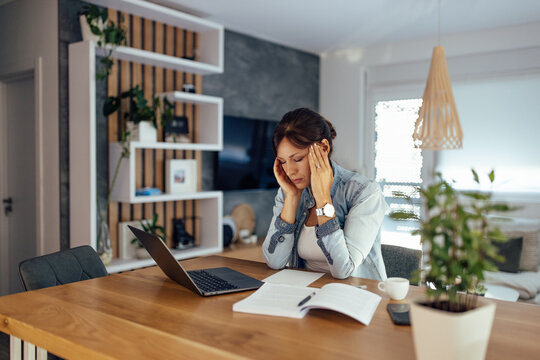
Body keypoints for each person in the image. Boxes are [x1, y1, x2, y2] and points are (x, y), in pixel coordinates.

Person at [262, 108, 388, 280]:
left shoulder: (364, 192)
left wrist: (322, 199)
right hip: (307, 294)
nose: (290, 171)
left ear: (323, 148)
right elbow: (274, 262)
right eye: (283, 162)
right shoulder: (289, 191)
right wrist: (291, 198)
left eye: (297, 159)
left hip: (357, 295)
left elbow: (343, 270)